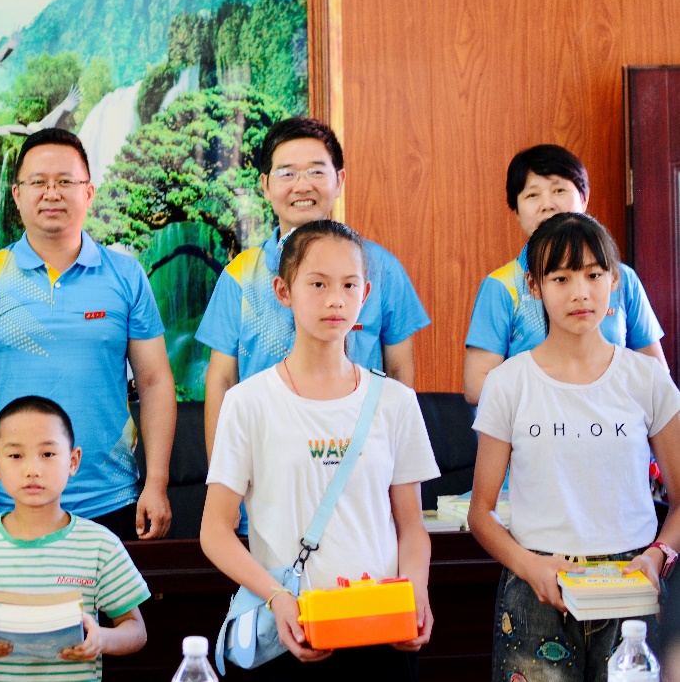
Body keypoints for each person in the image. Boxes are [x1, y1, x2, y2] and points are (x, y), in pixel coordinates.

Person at [200, 221, 438, 680]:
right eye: (318, 284)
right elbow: (214, 531)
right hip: (290, 632)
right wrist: (277, 598)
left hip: (381, 634)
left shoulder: (395, 401)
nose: (335, 300)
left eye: (349, 285)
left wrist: (416, 591)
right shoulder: (248, 402)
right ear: (283, 291)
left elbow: (411, 527)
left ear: (365, 293)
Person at [469, 212, 680, 681]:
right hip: (536, 586)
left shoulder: (647, 379)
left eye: (593, 275)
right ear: (534, 286)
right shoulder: (508, 383)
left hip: (633, 585)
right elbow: (481, 513)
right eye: (561, 278)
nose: (580, 292)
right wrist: (530, 566)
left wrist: (658, 555)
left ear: (614, 281)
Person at [0, 128, 176, 542]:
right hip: (6, 501)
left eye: (66, 181)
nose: (52, 193)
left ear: (89, 193)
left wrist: (156, 484)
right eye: (38, 182)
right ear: (16, 194)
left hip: (111, 500)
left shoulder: (126, 276)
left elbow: (155, 382)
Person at [195, 118, 428, 533]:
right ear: (265, 185)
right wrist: (224, 485)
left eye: (316, 171)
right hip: (266, 489)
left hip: (359, 486)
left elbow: (399, 372)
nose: (302, 185)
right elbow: (221, 381)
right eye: (287, 173)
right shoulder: (240, 275)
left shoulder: (380, 268)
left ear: (339, 180)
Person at [0, 396, 149, 680]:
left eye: (47, 454)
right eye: (16, 456)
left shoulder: (101, 545)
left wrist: (102, 639)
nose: (32, 470)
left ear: (73, 461)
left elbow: (136, 631)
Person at [463, 144, 665, 404]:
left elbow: (657, 377)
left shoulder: (622, 279)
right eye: (532, 195)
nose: (547, 205)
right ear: (516, 211)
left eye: (559, 190)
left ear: (584, 198)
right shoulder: (501, 285)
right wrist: (563, 406)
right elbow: (477, 385)